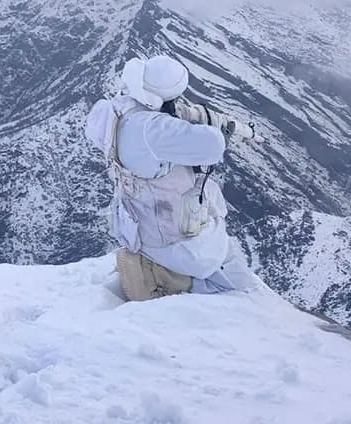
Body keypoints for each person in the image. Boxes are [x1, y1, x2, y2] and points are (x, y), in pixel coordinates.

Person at [85, 55, 263, 301]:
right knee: (234, 279)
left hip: (138, 225)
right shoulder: (151, 129)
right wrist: (219, 129)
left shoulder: (117, 111)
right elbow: (213, 144)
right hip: (171, 241)